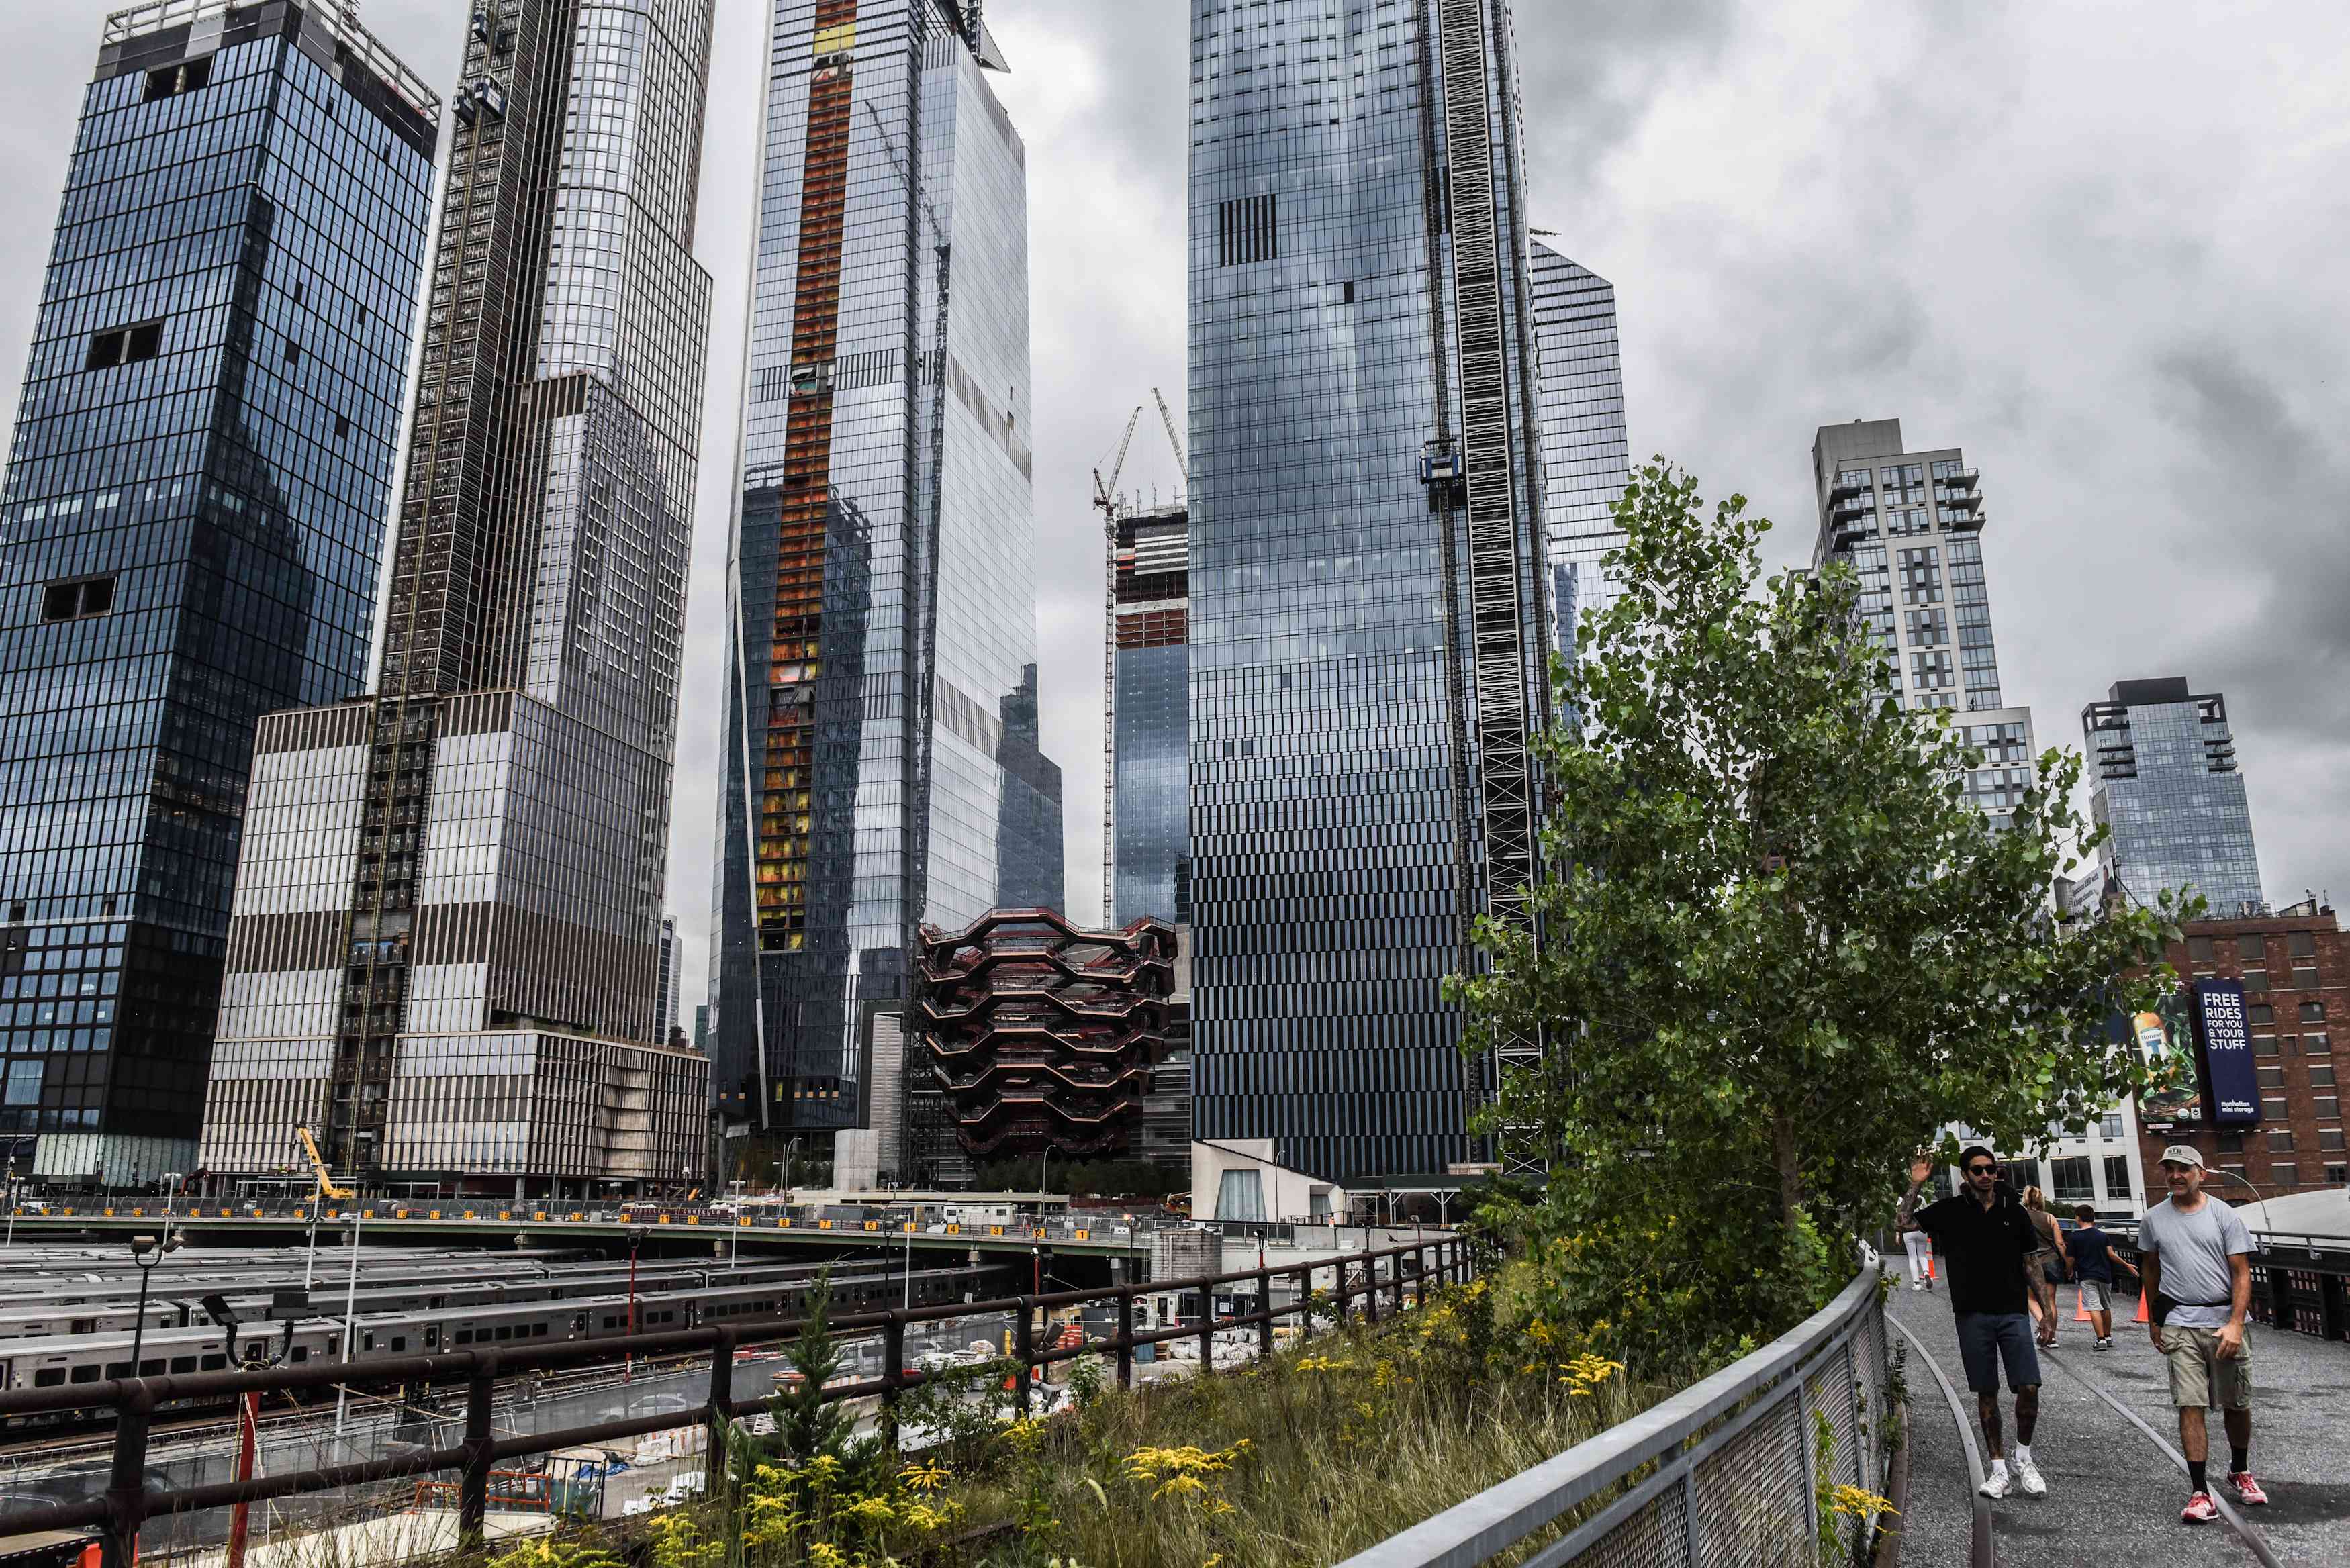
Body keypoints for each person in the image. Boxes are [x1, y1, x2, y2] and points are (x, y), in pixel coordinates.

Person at [1900, 1148, 2049, 1498]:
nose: (1985, 1175)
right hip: (1972, 1314)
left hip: (2013, 1311)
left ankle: (2023, 1458)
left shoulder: (2016, 1212)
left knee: (2029, 1388)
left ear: (1997, 1173)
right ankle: (1998, 1470)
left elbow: (2031, 1263)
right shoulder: (1951, 1211)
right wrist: (1915, 1185)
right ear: (1966, 1175)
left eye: (1990, 1169)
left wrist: (2047, 1310)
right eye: (1977, 1170)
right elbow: (1904, 1223)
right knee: (1987, 1394)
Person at [2139, 1144, 2269, 1523]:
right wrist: (2153, 1319)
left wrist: (2236, 1323)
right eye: (2170, 1169)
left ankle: (2239, 1469)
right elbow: (2150, 1268)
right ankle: (2199, 1492)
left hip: (2223, 1322)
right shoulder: (2153, 1219)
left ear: (2202, 1173)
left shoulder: (2224, 1215)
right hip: (2180, 1322)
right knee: (2189, 1403)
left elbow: (2242, 1273)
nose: (2176, 1175)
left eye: (2184, 1169)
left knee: (2237, 1402)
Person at [2063, 1204, 2138, 1350]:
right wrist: (2127, 1265)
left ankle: (2100, 1339)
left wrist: (2069, 1270)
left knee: (2094, 1307)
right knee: (2105, 1306)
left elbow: (2070, 1259)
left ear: (2078, 1219)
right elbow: (2111, 1254)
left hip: (2087, 1276)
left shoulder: (2075, 1237)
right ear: (2094, 1218)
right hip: (2105, 1275)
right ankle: (2108, 1337)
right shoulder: (2102, 1236)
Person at [2020, 1186, 2065, 1347]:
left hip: (2031, 1262)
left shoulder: (2021, 1216)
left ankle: (2043, 1325)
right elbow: (2059, 1243)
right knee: (2051, 1300)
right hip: (2051, 1260)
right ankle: (2051, 1336)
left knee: (2031, 1298)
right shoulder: (2050, 1218)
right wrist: (2069, 1263)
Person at [1903, 1224, 1936, 1292]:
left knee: (1912, 1257)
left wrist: (1897, 1234)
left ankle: (1917, 1284)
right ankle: (1926, 1273)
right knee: (1923, 1256)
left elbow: (1899, 1217)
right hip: (1921, 1230)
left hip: (1908, 1231)